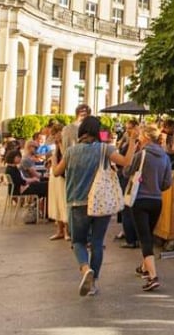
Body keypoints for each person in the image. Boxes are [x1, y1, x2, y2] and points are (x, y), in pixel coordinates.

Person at [52, 116, 137, 296]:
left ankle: (85, 269)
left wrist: (55, 154)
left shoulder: (71, 151)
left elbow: (56, 171)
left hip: (77, 203)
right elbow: (125, 162)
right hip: (101, 203)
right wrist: (132, 142)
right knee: (97, 243)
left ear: (82, 131)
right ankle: (94, 282)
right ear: (98, 131)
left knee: (78, 242)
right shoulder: (104, 149)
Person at [126, 124, 173, 291]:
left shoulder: (141, 154)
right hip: (156, 201)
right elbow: (167, 183)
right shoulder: (165, 157)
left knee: (144, 239)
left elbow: (126, 171)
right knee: (148, 234)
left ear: (145, 137)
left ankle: (153, 277)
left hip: (140, 200)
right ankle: (144, 267)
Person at [46, 121, 69, 240]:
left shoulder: (66, 145)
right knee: (56, 201)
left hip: (62, 176)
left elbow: (66, 156)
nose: (54, 136)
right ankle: (59, 229)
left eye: (56, 134)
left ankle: (66, 230)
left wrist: (60, 143)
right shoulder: (55, 146)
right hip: (54, 175)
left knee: (63, 201)